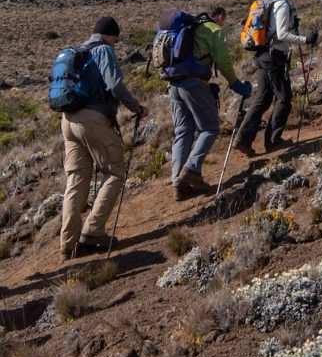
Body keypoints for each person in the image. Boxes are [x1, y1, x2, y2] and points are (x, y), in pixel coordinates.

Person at [60, 16, 148, 260]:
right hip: (92, 119)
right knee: (116, 171)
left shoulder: (77, 51)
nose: (116, 44)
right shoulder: (103, 50)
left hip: (68, 120)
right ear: (110, 35)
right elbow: (115, 85)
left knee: (76, 180)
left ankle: (68, 244)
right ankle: (93, 232)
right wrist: (136, 107)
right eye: (116, 39)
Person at [234, 0, 318, 155]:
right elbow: (281, 35)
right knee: (284, 98)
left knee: (263, 99)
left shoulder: (275, 2)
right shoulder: (283, 5)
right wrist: (306, 39)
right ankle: (273, 141)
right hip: (274, 57)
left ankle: (243, 139)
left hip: (264, 55)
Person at [169, 14, 251, 201]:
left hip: (173, 85)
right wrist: (235, 83)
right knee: (209, 127)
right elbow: (223, 61)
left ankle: (178, 185)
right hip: (193, 84)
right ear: (219, 17)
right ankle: (191, 170)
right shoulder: (213, 30)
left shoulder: (190, 29)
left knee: (183, 131)